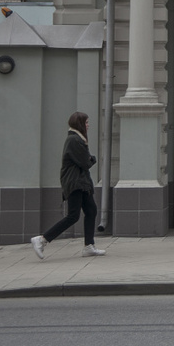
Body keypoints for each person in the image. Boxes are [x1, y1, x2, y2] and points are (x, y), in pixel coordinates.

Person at [31, 111, 106, 259]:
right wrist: (93, 159)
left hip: (81, 183)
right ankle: (42, 239)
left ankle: (89, 246)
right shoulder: (74, 140)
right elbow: (85, 162)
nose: (88, 125)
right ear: (80, 124)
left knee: (91, 210)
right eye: (86, 122)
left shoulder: (77, 139)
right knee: (73, 216)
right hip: (75, 183)